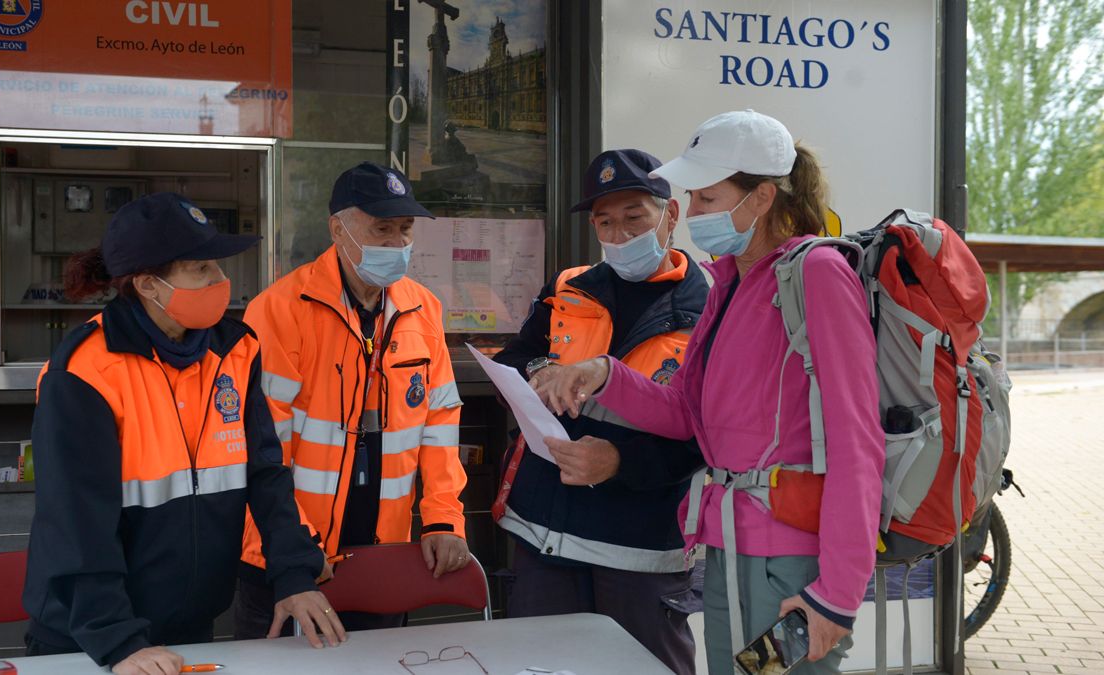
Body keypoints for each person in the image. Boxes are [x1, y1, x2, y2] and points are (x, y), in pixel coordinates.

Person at [535, 111, 884, 674]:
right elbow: (684, 414)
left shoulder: (816, 272)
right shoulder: (729, 281)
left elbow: (857, 442)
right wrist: (605, 373)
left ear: (762, 197)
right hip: (728, 550)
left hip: (790, 564)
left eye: (706, 197)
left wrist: (838, 594)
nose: (691, 213)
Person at [23, 192, 346, 675]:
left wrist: (294, 573)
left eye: (216, 266)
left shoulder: (236, 351)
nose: (221, 281)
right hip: (91, 637)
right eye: (201, 269)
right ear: (149, 285)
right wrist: (117, 642)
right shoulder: (85, 370)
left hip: (191, 624)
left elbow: (265, 474)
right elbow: (76, 519)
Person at [492, 149, 708, 673]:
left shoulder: (708, 308)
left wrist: (618, 461)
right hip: (544, 534)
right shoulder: (569, 287)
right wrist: (540, 369)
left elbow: (709, 432)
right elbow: (517, 357)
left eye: (634, 217)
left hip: (638, 546)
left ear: (670, 214)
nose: (619, 234)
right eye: (605, 222)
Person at [234, 162, 470, 638]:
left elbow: (439, 422)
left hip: (383, 546)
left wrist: (444, 519)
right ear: (338, 229)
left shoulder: (422, 307)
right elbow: (261, 446)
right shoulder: (280, 309)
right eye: (381, 229)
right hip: (291, 554)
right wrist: (297, 547)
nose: (397, 244)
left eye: (405, 230)